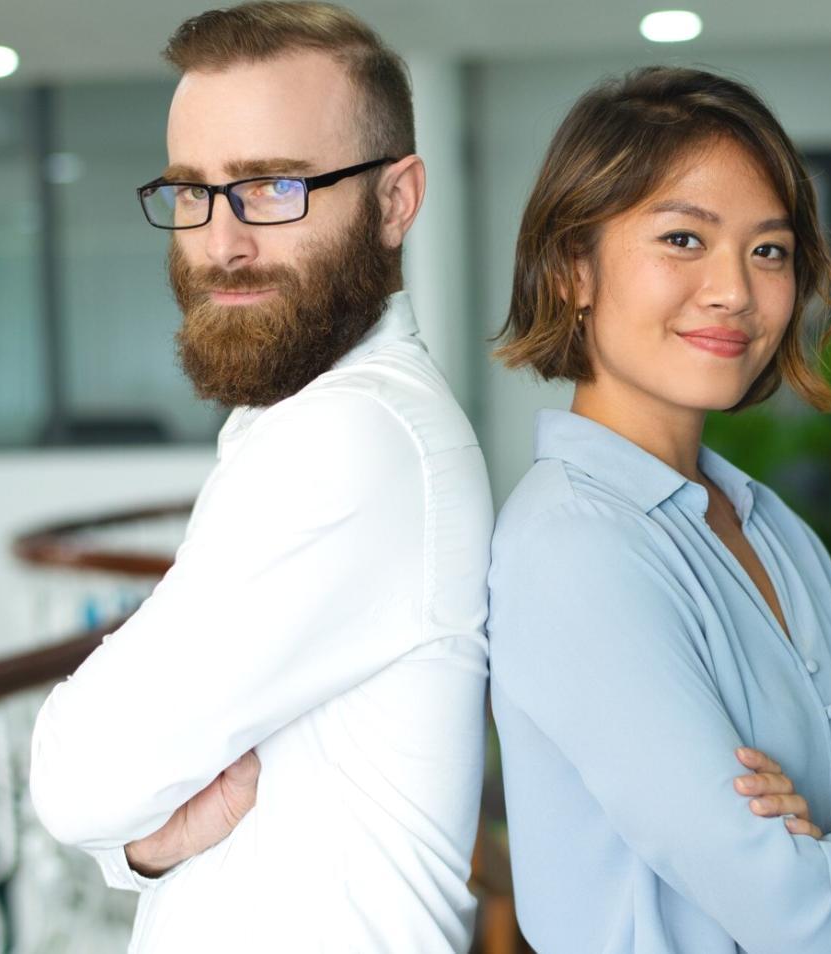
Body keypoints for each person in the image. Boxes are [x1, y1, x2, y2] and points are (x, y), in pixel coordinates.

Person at [27, 4, 493, 951]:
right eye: (192, 192)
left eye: (273, 187)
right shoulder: (295, 421)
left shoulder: (353, 437)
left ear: (396, 200)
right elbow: (123, 811)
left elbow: (78, 783)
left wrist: (117, 813)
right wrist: (147, 848)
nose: (220, 242)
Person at [487, 66, 831, 953]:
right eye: (682, 239)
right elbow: (806, 915)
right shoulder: (573, 550)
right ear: (571, 270)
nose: (735, 292)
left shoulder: (763, 519)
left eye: (769, 250)